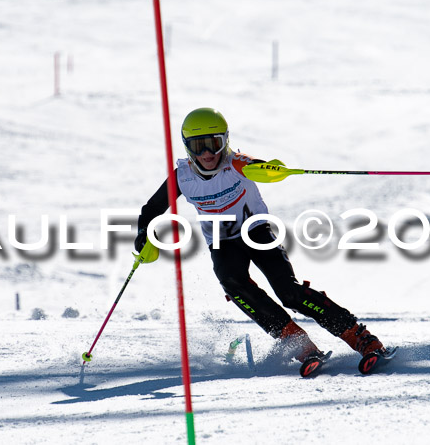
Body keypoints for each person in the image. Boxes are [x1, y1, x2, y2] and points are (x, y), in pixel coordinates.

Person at [134, 107, 390, 375]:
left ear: (226, 141)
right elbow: (151, 210)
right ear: (188, 147)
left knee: (288, 292)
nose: (207, 153)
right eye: (199, 146)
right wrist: (143, 235)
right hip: (222, 240)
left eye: (214, 143)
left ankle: (359, 337)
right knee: (232, 282)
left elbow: (256, 166)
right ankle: (297, 343)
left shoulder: (234, 163)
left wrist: (271, 169)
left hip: (256, 232)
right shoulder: (182, 177)